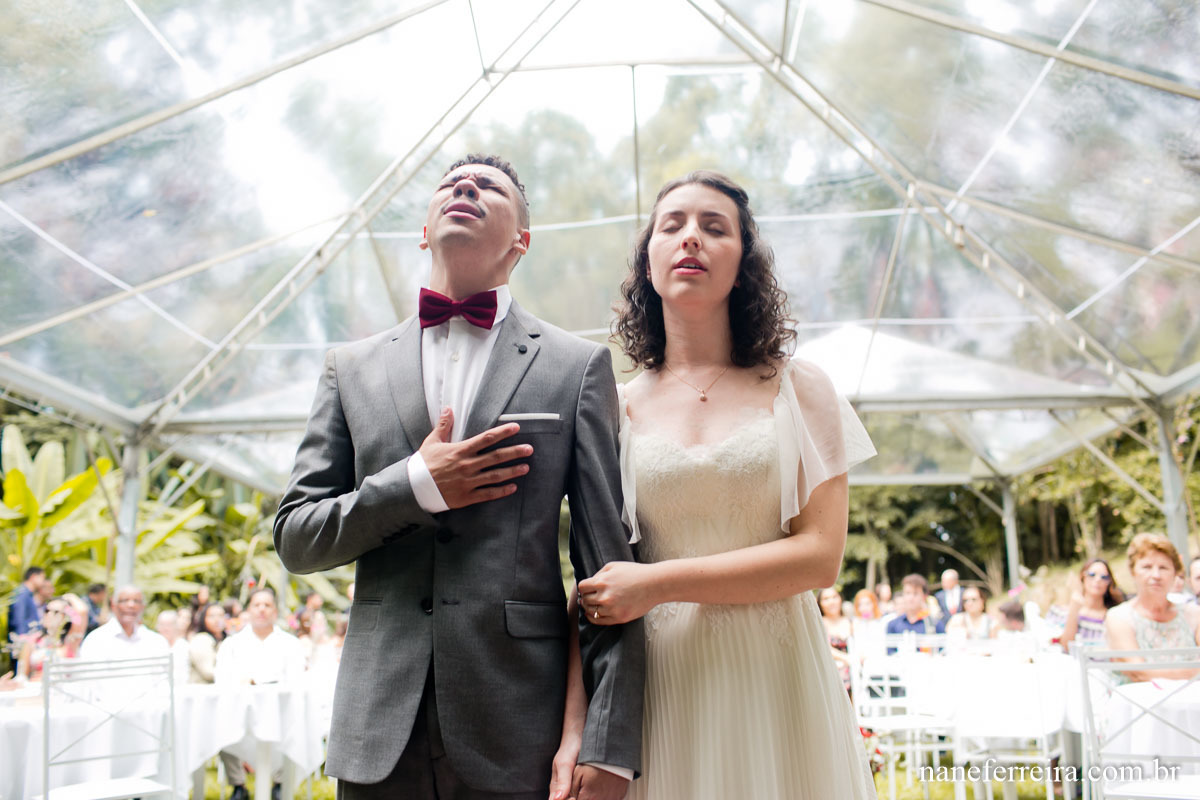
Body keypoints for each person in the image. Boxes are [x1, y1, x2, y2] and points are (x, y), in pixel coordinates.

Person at [274, 154, 643, 800]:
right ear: (424, 229)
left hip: (516, 728)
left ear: (521, 242)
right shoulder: (350, 368)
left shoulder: (575, 368)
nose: (465, 187)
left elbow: (606, 573)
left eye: (489, 186)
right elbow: (297, 538)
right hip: (376, 734)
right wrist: (413, 483)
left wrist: (606, 743)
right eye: (451, 183)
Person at [575, 170, 877, 799]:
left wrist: (654, 583)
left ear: (743, 267)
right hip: (661, 683)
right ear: (649, 262)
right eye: (673, 226)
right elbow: (591, 576)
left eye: (715, 228)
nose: (692, 238)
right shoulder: (613, 407)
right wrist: (580, 728)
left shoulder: (802, 388)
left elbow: (821, 557)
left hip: (776, 677)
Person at [1105, 533, 1200, 682]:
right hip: (1139, 703)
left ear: (1175, 573)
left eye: (1163, 568)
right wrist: (1192, 672)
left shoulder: (1194, 614)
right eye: (1147, 567)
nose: (1156, 575)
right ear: (1133, 571)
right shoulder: (1119, 617)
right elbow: (1138, 673)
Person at [78, 585, 169, 660]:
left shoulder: (156, 642)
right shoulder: (96, 640)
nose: (131, 605)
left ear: (143, 607)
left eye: (136, 601)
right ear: (113, 605)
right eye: (125, 600)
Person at [1060, 558, 1123, 650]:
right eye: (1092, 575)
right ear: (1082, 577)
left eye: (1104, 577)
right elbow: (1066, 646)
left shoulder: (1114, 615)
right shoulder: (1063, 611)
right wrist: (1074, 610)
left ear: (1109, 582)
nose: (1097, 580)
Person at [886, 574, 946, 641]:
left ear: (924, 596)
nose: (911, 598)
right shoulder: (893, 625)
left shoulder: (935, 624)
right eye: (908, 593)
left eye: (915, 593)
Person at [819, 588, 854, 691]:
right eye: (826, 599)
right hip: (830, 671)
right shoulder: (819, 624)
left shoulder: (851, 622)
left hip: (853, 672)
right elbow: (823, 647)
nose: (831, 602)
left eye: (834, 597)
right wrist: (845, 658)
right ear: (820, 603)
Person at [7, 567, 46, 653]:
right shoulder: (22, 593)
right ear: (33, 577)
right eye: (42, 578)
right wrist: (22, 643)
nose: (43, 582)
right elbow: (18, 619)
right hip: (22, 644)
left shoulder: (28, 594)